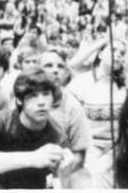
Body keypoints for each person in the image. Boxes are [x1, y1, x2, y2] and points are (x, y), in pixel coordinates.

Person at [0, 68, 72, 189]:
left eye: (46, 94)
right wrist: (34, 157)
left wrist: (64, 172)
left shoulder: (56, 132)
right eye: (33, 96)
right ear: (19, 100)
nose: (41, 102)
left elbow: (59, 181)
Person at [39, 49, 92, 187]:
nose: (55, 70)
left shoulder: (73, 107)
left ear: (66, 73)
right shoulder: (23, 100)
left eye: (60, 66)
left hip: (61, 172)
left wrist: (58, 176)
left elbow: (79, 155)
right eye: (49, 66)